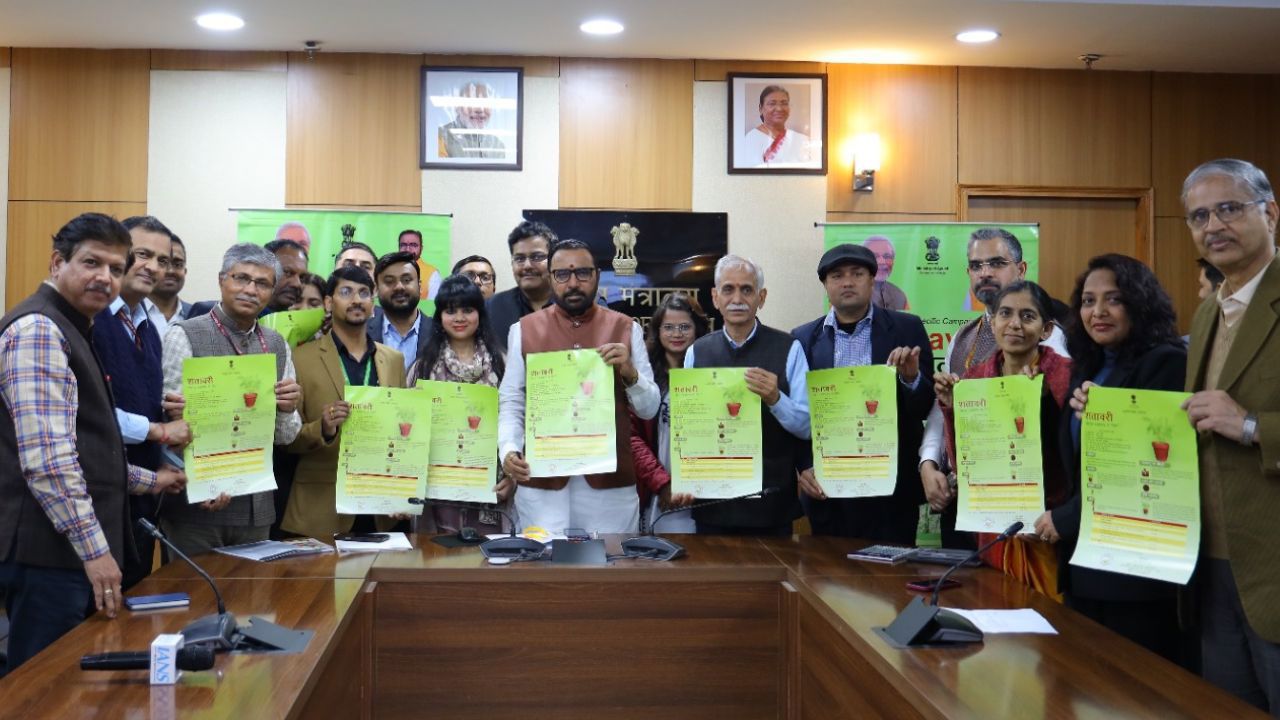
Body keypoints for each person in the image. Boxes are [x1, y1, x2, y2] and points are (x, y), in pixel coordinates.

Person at [0, 213, 184, 672]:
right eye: (91, 263)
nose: (105, 277)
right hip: (48, 554)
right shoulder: (40, 329)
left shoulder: (76, 325)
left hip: (65, 551)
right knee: (41, 687)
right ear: (57, 262)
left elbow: (87, 450)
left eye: (115, 268)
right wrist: (96, 552)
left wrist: (153, 480)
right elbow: (48, 462)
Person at [1027, 254, 1188, 663]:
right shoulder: (1091, 366)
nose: (1097, 312)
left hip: (1135, 570)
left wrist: (1066, 518)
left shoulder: (1166, 363)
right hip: (1086, 562)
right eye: (1087, 300)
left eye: (1113, 300)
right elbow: (1077, 458)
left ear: (1139, 304)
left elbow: (1145, 468)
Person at [1178, 158, 1280, 712]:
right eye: (1198, 216)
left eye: (1228, 208)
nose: (1212, 224)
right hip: (1211, 565)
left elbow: (1232, 419)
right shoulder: (1205, 314)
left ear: (1271, 213)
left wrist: (1249, 426)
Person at [919, 227, 1068, 547]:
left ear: (1022, 269)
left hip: (1027, 507)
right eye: (976, 265)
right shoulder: (962, 337)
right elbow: (943, 403)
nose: (985, 273)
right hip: (967, 500)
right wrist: (929, 462)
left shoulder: (1049, 340)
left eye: (997, 263)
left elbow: (1061, 427)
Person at [499, 239, 659, 533]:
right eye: (562, 274)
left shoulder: (626, 328)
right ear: (550, 278)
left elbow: (649, 409)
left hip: (608, 488)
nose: (573, 283)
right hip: (543, 485)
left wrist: (630, 374)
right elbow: (511, 401)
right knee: (542, 571)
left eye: (583, 273)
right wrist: (508, 449)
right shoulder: (523, 330)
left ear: (597, 275)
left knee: (610, 572)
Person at [159, 243, 303, 557]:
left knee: (252, 603)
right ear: (222, 280)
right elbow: (166, 423)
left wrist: (288, 409)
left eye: (262, 283)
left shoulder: (277, 345)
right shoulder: (183, 334)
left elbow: (286, 436)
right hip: (195, 505)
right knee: (196, 600)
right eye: (241, 278)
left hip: (255, 506)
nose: (251, 290)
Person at [792, 244, 935, 544]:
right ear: (825, 285)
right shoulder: (802, 339)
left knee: (889, 584)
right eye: (837, 276)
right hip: (828, 487)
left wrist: (911, 379)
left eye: (857, 274)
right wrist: (803, 466)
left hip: (890, 489)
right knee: (828, 580)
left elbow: (925, 407)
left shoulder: (907, 328)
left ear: (872, 280)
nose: (847, 282)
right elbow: (796, 414)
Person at [936, 281, 1071, 597]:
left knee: (1047, 630)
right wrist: (953, 409)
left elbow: (1074, 457)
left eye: (1027, 316)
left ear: (1046, 329)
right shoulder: (974, 379)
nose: (1014, 325)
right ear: (992, 321)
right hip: (993, 524)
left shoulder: (1065, 374)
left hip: (1046, 528)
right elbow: (962, 464)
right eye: (1005, 314)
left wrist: (1046, 404)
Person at [93, 216, 192, 589]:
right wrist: (159, 429)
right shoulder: (92, 318)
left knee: (128, 615)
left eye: (163, 260)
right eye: (142, 254)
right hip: (96, 500)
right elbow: (89, 417)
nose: (153, 267)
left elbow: (147, 408)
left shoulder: (148, 328)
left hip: (140, 501)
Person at [684, 255, 811, 535]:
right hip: (712, 504)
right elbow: (690, 427)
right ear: (715, 298)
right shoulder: (698, 351)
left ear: (761, 298)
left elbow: (807, 427)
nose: (737, 298)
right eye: (728, 289)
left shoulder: (790, 348)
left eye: (747, 289)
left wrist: (776, 398)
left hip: (771, 506)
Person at [283, 267, 406, 540]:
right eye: (346, 292)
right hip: (322, 507)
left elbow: (402, 435)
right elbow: (286, 439)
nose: (356, 300)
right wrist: (323, 428)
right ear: (329, 303)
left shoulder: (393, 360)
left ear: (372, 303)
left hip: (380, 509)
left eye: (364, 293)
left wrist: (403, 491)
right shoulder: (300, 358)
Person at [409, 275, 513, 535]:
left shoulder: (502, 363)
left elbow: (516, 422)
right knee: (440, 564)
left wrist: (512, 478)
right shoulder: (423, 366)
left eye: (468, 309)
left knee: (489, 566)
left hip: (491, 485)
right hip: (438, 490)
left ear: (480, 314)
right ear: (440, 316)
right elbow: (410, 431)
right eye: (450, 310)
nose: (459, 317)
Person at [630, 294, 707, 534]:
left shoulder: (710, 371)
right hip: (655, 488)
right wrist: (662, 483)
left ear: (697, 330)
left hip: (702, 490)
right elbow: (632, 437)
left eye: (685, 327)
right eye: (669, 327)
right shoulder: (643, 377)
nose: (677, 334)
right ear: (657, 331)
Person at [189, 238, 308, 319]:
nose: (297, 283)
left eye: (302, 277)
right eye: (287, 272)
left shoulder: (299, 326)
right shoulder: (209, 314)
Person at [488, 221, 557, 353]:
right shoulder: (492, 308)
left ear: (554, 260)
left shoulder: (572, 306)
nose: (527, 266)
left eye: (536, 257)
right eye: (519, 259)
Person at [370, 251, 434, 372]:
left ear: (420, 287)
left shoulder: (439, 331)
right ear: (376, 289)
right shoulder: (362, 333)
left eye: (406, 280)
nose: (399, 287)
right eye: (389, 281)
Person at [736, 85, 812, 168]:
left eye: (784, 103)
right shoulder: (752, 138)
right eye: (772, 103)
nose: (779, 108)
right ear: (760, 109)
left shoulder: (801, 139)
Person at [436, 81, 506, 160]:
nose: (480, 110)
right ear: (456, 107)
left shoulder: (497, 146)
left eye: (486, 103)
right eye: (471, 102)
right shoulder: (440, 136)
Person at [148, 232, 191, 337]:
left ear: (185, 271)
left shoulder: (196, 315)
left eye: (177, 264)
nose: (170, 271)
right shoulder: (130, 314)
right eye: (163, 262)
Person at [862, 235, 909, 311]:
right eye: (875, 256)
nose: (881, 262)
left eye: (887, 256)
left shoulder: (899, 295)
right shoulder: (851, 292)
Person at [397, 229, 442, 301]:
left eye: (413, 245)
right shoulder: (390, 270)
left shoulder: (432, 273)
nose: (408, 249)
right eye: (403, 245)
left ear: (421, 248)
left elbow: (433, 305)